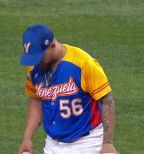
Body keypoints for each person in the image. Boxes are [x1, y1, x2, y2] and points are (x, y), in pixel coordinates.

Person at [18, 24, 117, 154]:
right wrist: (27, 139)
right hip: (52, 145)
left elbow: (107, 101)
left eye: (39, 57)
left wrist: (107, 143)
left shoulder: (83, 63)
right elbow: (36, 101)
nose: (36, 62)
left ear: (52, 46)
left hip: (88, 143)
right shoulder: (33, 68)